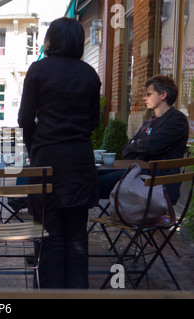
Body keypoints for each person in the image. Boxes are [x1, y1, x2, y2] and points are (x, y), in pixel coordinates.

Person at [18, 17, 101, 289]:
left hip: (47, 160)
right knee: (77, 236)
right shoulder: (90, 74)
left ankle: (51, 294)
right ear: (80, 42)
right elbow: (92, 123)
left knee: (49, 234)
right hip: (79, 161)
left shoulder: (38, 70)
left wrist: (35, 149)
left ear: (50, 40)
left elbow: (25, 119)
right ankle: (78, 294)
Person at [99, 75, 189, 204]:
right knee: (93, 178)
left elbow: (152, 146)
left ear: (163, 95)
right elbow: (126, 151)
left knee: (93, 184)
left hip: (156, 183)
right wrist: (141, 145)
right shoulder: (149, 122)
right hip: (141, 177)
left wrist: (138, 144)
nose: (144, 98)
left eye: (149, 94)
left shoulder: (176, 120)